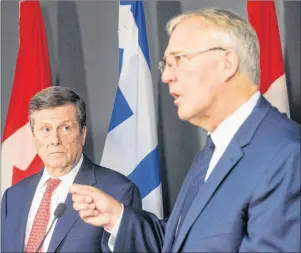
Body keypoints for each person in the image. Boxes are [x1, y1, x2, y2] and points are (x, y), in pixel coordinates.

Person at [69, 8, 300, 252]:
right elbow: (176, 240)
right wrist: (116, 217)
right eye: (165, 65)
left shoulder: (285, 156)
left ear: (227, 63)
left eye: (178, 59)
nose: (167, 76)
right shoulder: (213, 150)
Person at [1, 86, 141, 252]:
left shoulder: (117, 191)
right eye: (46, 130)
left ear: (82, 134)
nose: (55, 140)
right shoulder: (13, 197)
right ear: (34, 137)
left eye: (65, 128)